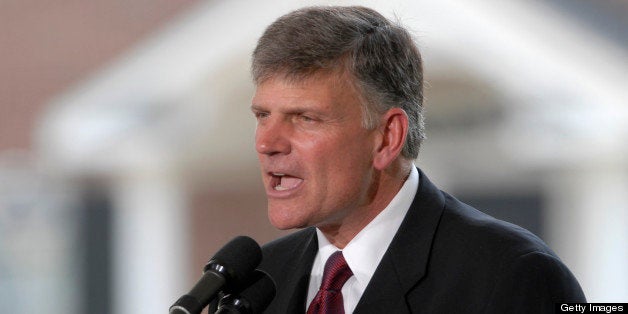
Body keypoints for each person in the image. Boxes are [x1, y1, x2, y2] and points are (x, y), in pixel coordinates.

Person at [251, 5, 585, 313]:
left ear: (387, 137)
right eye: (263, 115)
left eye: (305, 118)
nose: (267, 143)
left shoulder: (512, 275)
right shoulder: (258, 280)